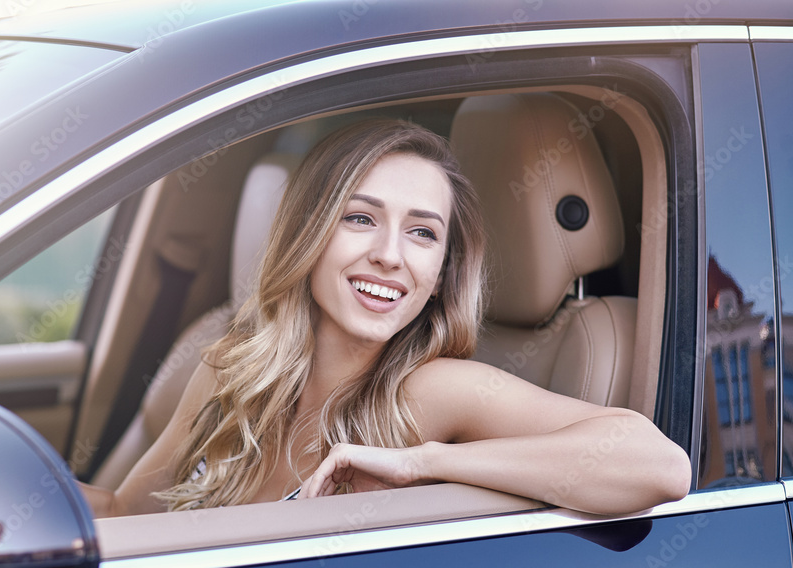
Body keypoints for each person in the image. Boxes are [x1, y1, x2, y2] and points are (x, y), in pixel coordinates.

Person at [80, 118, 691, 518]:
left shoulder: (431, 392)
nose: (390, 255)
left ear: (442, 270)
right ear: (308, 234)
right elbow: (123, 517)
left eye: (422, 233)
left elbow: (656, 464)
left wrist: (423, 464)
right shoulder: (230, 369)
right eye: (361, 218)